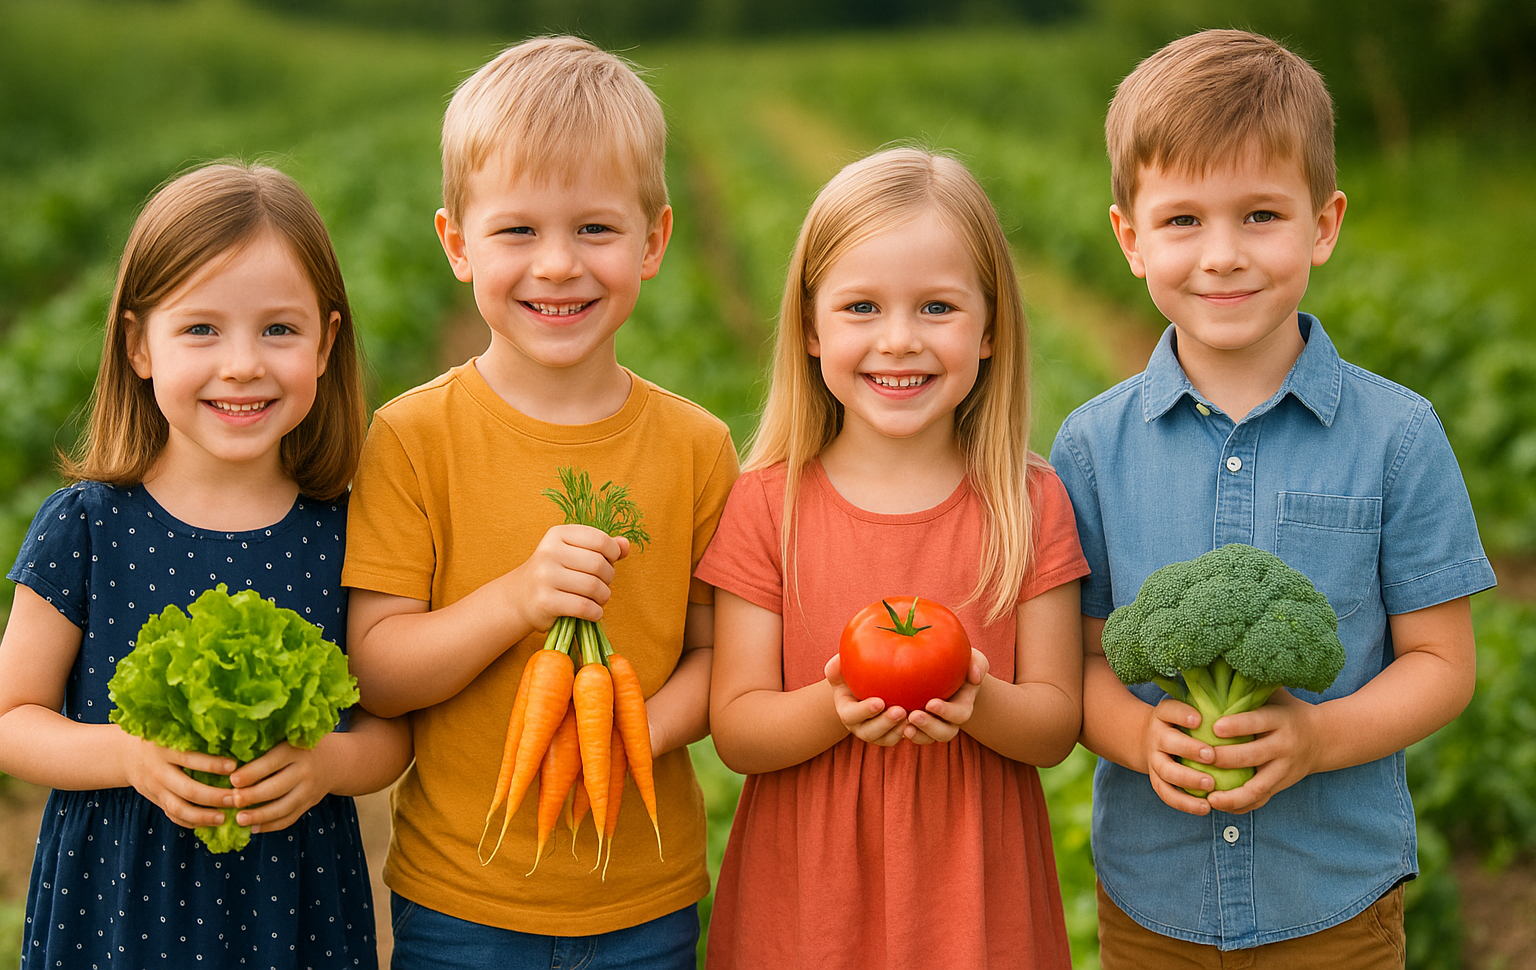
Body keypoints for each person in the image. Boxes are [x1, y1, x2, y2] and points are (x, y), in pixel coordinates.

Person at [1048, 28, 1498, 968]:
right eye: (1182, 221)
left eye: (1260, 215)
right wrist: (1137, 733)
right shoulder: (1090, 448)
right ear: (1129, 238)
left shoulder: (1398, 436)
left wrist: (1317, 736)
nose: (1223, 256)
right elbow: (1079, 661)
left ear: (1324, 224)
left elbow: (1441, 662)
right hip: (1151, 905)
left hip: (1333, 903)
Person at [341, 36, 738, 969]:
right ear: (456, 244)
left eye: (594, 230)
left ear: (653, 242)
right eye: (518, 231)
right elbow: (379, 671)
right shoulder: (412, 438)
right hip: (459, 905)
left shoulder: (697, 448)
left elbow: (722, 659)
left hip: (645, 902)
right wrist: (517, 600)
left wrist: (617, 729)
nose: (557, 265)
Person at [0, 161, 413, 968]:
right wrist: (126, 754)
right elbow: (12, 719)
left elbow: (389, 733)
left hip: (289, 903)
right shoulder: (85, 527)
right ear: (137, 344)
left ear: (327, 343)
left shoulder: (347, 532)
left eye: (279, 330)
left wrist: (325, 763)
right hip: (116, 904)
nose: (242, 364)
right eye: (201, 329)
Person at [698, 146, 1088, 970]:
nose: (900, 341)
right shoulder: (768, 504)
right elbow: (737, 727)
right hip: (808, 906)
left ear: (990, 331)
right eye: (862, 308)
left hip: (974, 908)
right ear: (811, 328)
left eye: (938, 308)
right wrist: (835, 701)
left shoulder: (1029, 503)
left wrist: (977, 698)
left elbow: (1056, 724)